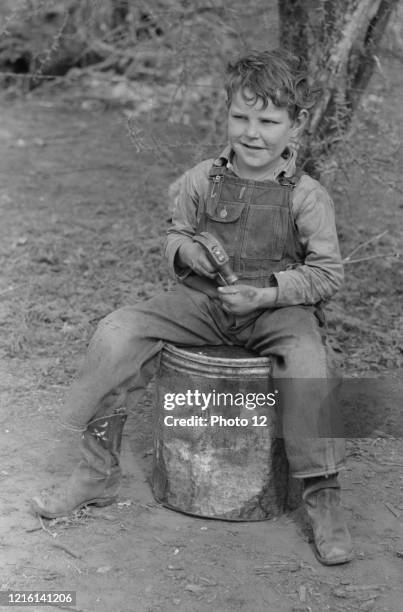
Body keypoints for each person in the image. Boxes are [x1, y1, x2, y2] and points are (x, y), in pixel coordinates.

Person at [32, 49, 353, 566]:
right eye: (240, 117)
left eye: (269, 121)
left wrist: (268, 294)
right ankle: (96, 474)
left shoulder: (307, 197)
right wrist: (187, 251)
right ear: (225, 114)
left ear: (296, 126)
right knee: (117, 332)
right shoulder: (202, 179)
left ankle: (323, 500)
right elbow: (174, 236)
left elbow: (327, 274)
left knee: (309, 364)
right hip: (203, 304)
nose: (252, 132)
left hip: (276, 312)